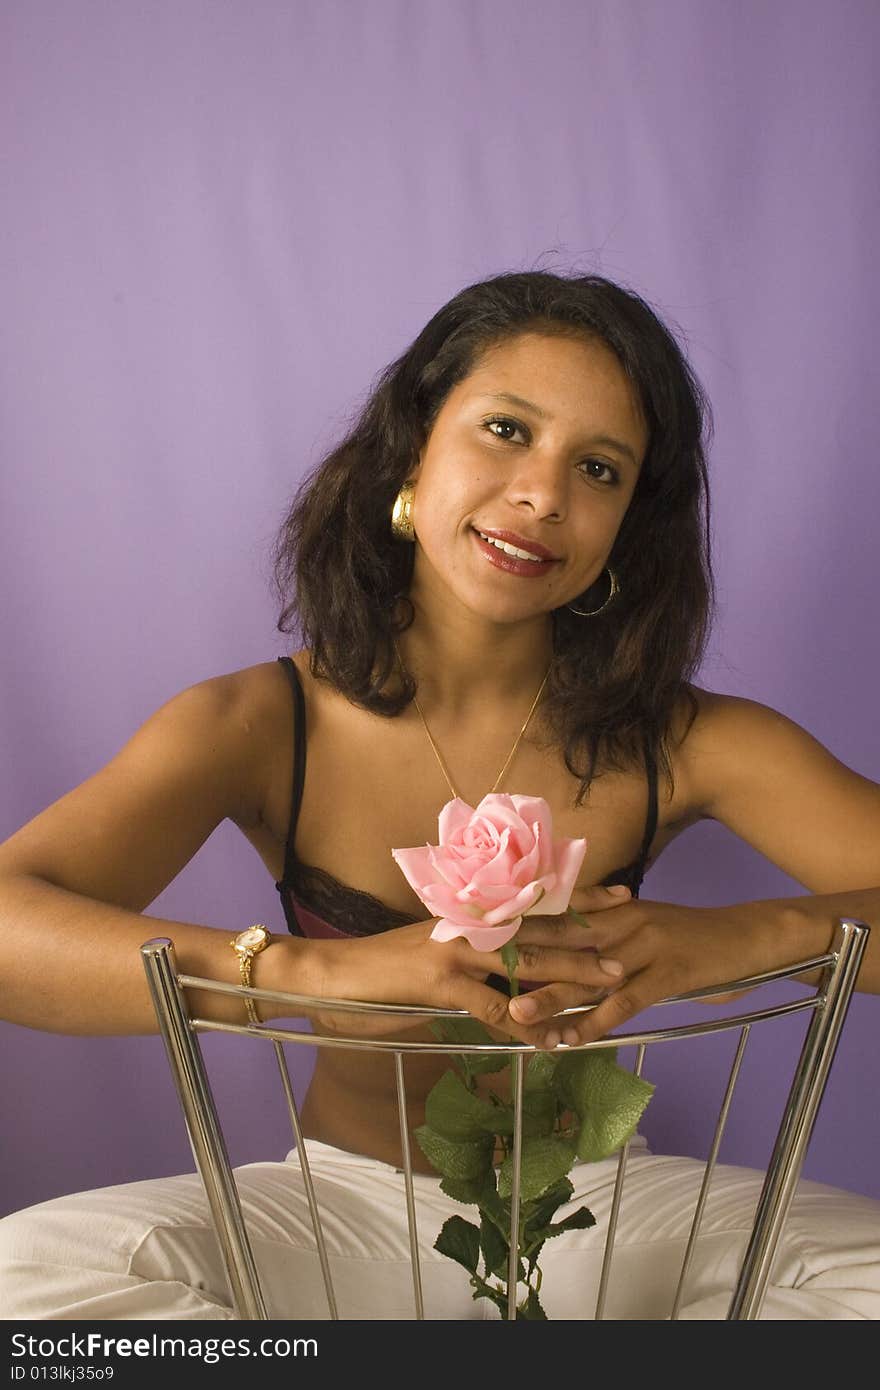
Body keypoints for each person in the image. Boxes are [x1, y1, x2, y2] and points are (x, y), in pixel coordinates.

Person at [1, 270, 879, 1321]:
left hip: (602, 1213)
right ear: (414, 445)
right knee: (27, 1282)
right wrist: (307, 970)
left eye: (597, 469)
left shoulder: (685, 739)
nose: (543, 493)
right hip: (337, 1208)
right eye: (506, 429)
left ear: (622, 527)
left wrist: (762, 932)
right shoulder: (257, 722)